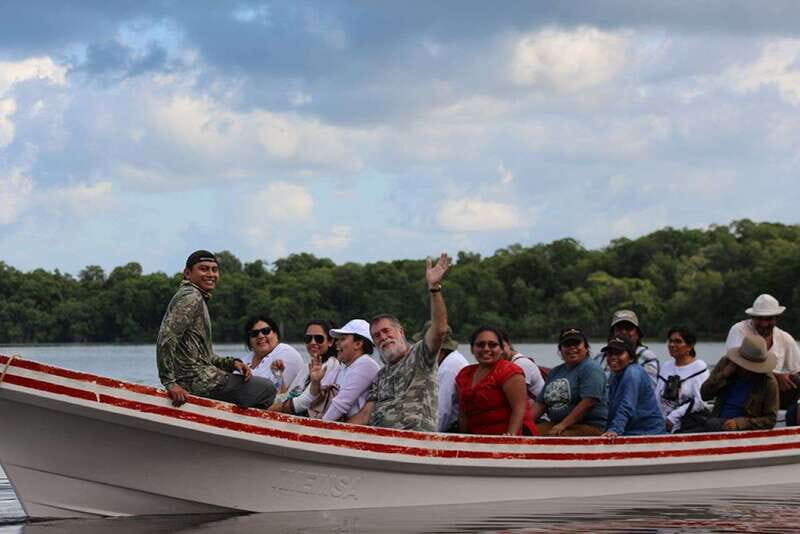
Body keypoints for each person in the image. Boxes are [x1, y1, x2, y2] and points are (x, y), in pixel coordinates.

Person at [156, 250, 276, 408]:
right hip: (196, 380)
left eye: (214, 269)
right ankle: (238, 430)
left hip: (199, 376)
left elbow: (204, 356)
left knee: (250, 385)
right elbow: (166, 338)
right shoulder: (191, 297)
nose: (211, 274)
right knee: (266, 389)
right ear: (187, 273)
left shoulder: (195, 297)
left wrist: (231, 363)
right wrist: (170, 383)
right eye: (204, 269)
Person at [349, 253, 452, 432]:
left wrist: (434, 289)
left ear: (401, 332)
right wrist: (333, 431)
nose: (383, 338)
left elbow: (440, 329)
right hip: (379, 442)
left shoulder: (420, 355)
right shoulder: (381, 375)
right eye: (377, 336)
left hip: (414, 442)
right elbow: (366, 414)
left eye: (386, 331)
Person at [684, 334, 779, 432]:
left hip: (742, 429)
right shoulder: (726, 363)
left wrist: (740, 423)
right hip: (716, 420)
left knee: (712, 424)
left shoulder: (768, 382)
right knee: (689, 426)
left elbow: (770, 420)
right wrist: (724, 374)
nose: (748, 370)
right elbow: (705, 394)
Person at [455, 326, 537, 436]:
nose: (486, 349)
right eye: (480, 345)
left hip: (511, 437)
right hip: (477, 437)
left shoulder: (509, 371)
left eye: (493, 345)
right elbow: (463, 413)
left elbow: (519, 409)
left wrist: (510, 438)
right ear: (472, 349)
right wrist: (462, 439)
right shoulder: (464, 374)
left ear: (502, 349)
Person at [725, 294, 800, 408]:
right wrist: (776, 377)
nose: (764, 324)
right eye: (760, 318)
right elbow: (738, 366)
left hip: (770, 394)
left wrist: (789, 378)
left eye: (769, 319)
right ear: (753, 317)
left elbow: (797, 369)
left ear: (777, 318)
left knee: (795, 380)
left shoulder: (785, 338)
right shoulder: (739, 330)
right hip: (743, 389)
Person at [533, 327, 607, 436]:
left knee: (558, 436)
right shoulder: (555, 372)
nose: (572, 348)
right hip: (556, 423)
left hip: (589, 426)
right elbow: (540, 404)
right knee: (528, 431)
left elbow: (589, 402)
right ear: (560, 350)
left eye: (576, 344)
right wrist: (523, 424)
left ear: (586, 347)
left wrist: (563, 425)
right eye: (567, 345)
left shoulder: (591, 368)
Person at [307, 319, 380, 422]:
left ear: (358, 344)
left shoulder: (366, 364)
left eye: (343, 339)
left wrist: (319, 427)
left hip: (356, 429)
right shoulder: (342, 366)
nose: (337, 343)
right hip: (342, 424)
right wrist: (315, 381)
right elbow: (315, 396)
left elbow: (341, 404)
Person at [601, 335, 666, 438]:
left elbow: (627, 405)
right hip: (630, 431)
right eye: (610, 354)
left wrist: (614, 430)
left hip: (649, 433)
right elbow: (612, 408)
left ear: (631, 358)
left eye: (619, 353)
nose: (613, 357)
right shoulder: (616, 375)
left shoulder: (633, 373)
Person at [270, 319, 339, 412]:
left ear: (330, 342)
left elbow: (304, 402)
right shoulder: (306, 368)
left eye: (319, 339)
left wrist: (270, 409)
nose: (313, 342)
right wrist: (279, 377)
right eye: (308, 339)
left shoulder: (332, 364)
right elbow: (287, 396)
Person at [412, 321, 469, 432]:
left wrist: (426, 438)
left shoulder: (449, 367)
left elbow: (442, 412)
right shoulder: (448, 360)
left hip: (452, 429)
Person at [655, 326, 710, 433]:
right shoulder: (666, 366)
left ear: (689, 346)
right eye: (670, 341)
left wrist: (673, 417)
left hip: (687, 423)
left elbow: (700, 401)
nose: (671, 345)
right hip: (662, 423)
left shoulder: (699, 367)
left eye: (678, 342)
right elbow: (657, 396)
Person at [242, 315, 305, 394]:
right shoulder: (245, 359)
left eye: (266, 331)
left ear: (276, 334)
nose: (260, 336)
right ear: (249, 340)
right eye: (254, 333)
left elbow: (276, 392)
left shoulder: (286, 353)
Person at [598, 310, 660, 388]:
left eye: (628, 328)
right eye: (619, 329)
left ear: (637, 334)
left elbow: (649, 390)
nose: (624, 332)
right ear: (612, 334)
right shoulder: (600, 357)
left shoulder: (647, 358)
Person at [499, 329, 545, 401]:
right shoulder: (509, 363)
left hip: (537, 408)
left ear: (509, 344)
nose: (499, 351)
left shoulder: (521, 364)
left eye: (502, 346)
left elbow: (518, 398)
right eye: (495, 347)